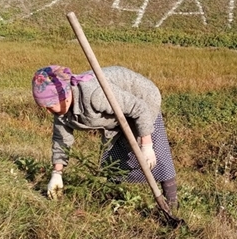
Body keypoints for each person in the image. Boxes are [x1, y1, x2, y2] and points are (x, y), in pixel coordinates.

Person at [32, 65, 178, 208]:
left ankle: (171, 202)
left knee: (154, 155)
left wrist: (147, 145)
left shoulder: (95, 94)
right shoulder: (61, 112)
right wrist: (57, 174)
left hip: (142, 99)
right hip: (116, 113)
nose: (49, 112)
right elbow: (61, 140)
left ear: (65, 95)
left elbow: (139, 108)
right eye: (45, 107)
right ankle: (112, 198)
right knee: (113, 154)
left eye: (50, 106)